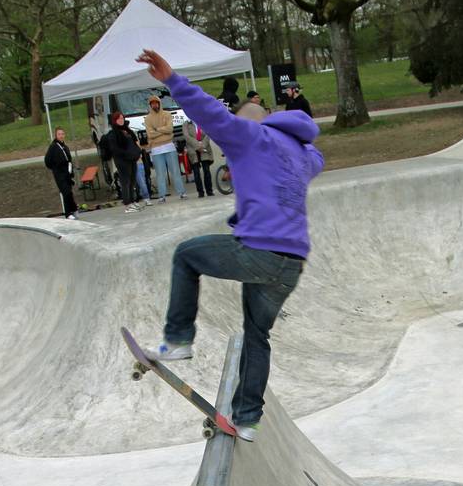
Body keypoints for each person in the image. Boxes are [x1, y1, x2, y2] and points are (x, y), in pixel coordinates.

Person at [137, 48, 324, 442]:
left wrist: (172, 78)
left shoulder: (250, 135)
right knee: (257, 334)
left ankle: (177, 340)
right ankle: (248, 419)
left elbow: (210, 113)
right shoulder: (303, 154)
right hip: (293, 265)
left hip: (261, 253)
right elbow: (315, 156)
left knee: (186, 255)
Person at [143, 94, 186, 203]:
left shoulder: (167, 114)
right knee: (160, 174)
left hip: (169, 147)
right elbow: (150, 134)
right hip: (156, 150)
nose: (154, 105)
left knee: (175, 171)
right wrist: (163, 132)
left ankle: (181, 192)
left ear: (159, 103)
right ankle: (162, 196)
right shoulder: (147, 119)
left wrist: (156, 129)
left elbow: (170, 129)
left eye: (156, 103)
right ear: (150, 105)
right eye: (152, 104)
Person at [105, 112, 145, 213]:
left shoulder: (128, 130)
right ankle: (127, 204)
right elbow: (114, 148)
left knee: (132, 180)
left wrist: (137, 152)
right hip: (122, 160)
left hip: (132, 159)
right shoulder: (113, 133)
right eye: (118, 119)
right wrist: (126, 154)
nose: (121, 120)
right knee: (125, 181)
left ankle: (132, 200)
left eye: (122, 118)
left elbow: (135, 142)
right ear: (115, 121)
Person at [44, 127, 78, 219]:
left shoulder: (65, 147)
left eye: (62, 134)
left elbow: (69, 160)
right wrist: (55, 168)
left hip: (67, 173)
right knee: (65, 192)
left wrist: (71, 172)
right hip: (59, 174)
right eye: (59, 134)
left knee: (69, 192)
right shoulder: (53, 147)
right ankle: (68, 214)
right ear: (56, 135)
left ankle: (74, 208)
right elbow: (47, 161)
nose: (61, 136)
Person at [181, 119, 214, 198]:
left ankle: (209, 190)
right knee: (196, 172)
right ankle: (200, 192)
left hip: (204, 147)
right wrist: (197, 145)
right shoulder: (186, 124)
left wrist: (202, 144)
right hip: (192, 148)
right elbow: (186, 136)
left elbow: (208, 134)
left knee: (206, 170)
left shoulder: (203, 120)